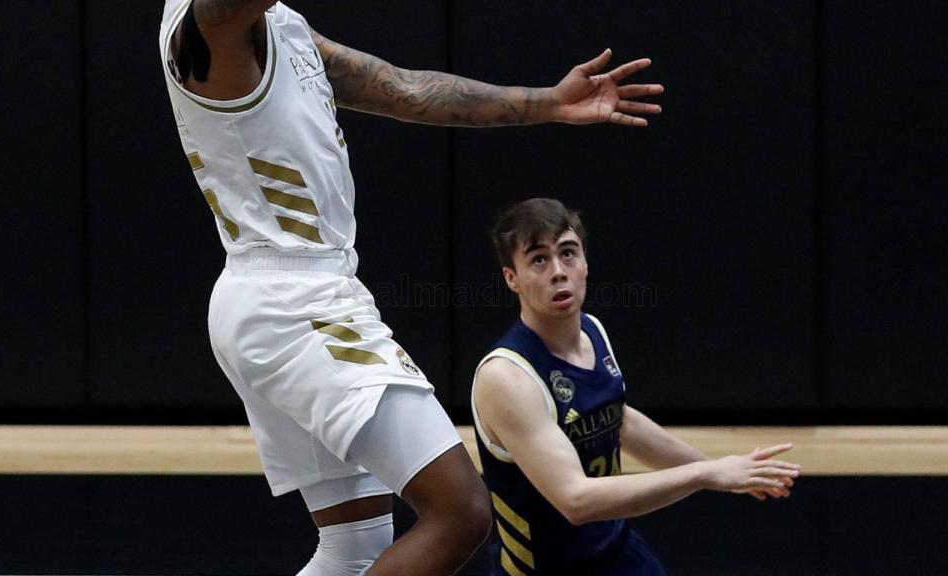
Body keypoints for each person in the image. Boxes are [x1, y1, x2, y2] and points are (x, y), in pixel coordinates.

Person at [159, 1, 665, 575]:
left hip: (284, 298)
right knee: (463, 510)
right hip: (294, 308)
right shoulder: (208, 27)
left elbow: (404, 88)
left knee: (353, 550)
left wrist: (548, 102)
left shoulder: (281, 26)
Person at [472, 198, 801, 575]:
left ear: (586, 263)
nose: (559, 272)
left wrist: (724, 472)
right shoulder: (506, 377)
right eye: (539, 260)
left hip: (615, 552)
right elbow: (576, 500)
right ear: (511, 278)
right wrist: (704, 475)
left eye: (568, 254)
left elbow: (618, 420)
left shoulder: (593, 332)